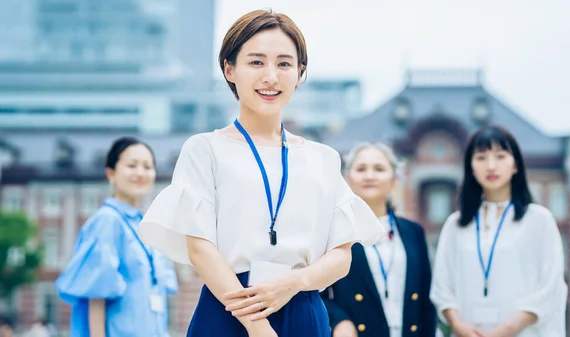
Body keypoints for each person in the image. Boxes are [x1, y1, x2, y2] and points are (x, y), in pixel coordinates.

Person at [137, 9, 385, 337]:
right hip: (229, 307)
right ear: (229, 69)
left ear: (300, 73)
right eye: (256, 62)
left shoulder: (322, 158)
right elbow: (200, 249)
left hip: (302, 307)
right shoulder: (204, 149)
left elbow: (341, 256)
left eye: (284, 63)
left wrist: (294, 282)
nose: (271, 76)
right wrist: (257, 325)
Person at [430, 125, 568, 337]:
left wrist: (507, 329)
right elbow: (442, 287)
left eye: (501, 156)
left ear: (515, 166)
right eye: (481, 158)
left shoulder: (538, 220)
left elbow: (550, 286)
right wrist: (457, 324)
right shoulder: (455, 224)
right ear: (471, 167)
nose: (491, 166)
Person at [55, 137, 178, 337]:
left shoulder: (143, 224)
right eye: (132, 165)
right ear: (110, 173)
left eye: (147, 166)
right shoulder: (107, 221)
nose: (140, 173)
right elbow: (96, 294)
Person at [322, 142, 437, 337]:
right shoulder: (332, 229)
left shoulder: (413, 231)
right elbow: (317, 292)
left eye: (379, 169)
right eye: (361, 169)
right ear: (348, 178)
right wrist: (339, 320)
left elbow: (426, 299)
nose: (369, 175)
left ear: (394, 179)